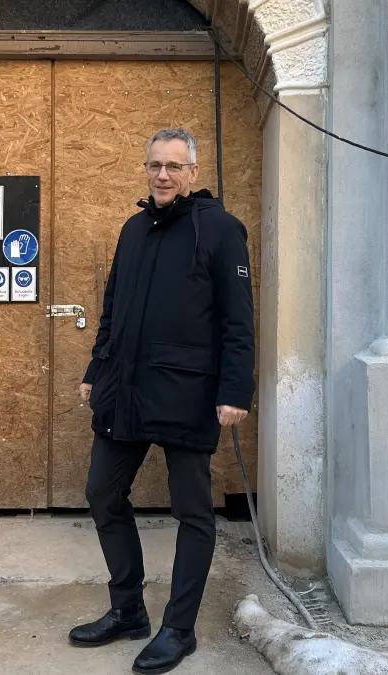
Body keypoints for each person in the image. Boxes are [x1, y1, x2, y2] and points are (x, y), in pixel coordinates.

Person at [68, 128, 255, 674]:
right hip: (123, 389)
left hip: (188, 392)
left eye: (175, 166)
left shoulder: (220, 230)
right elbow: (113, 308)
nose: (164, 175)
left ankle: (179, 628)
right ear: (146, 169)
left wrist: (233, 391)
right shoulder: (134, 229)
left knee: (192, 513)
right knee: (103, 494)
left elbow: (238, 320)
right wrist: (95, 370)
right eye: (155, 165)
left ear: (194, 173)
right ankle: (128, 610)